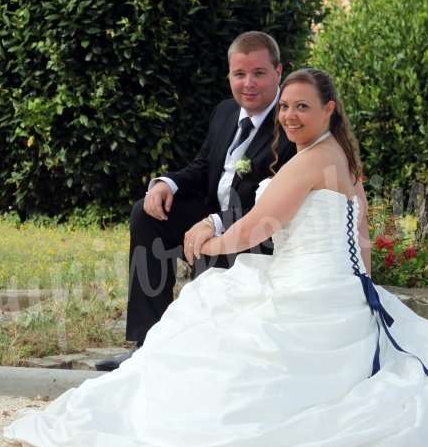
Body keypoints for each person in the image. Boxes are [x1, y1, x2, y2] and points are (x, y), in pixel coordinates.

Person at [5, 68, 428, 447]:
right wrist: (363, 296)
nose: (290, 116)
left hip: (306, 290)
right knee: (220, 309)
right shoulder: (341, 159)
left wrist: (204, 242)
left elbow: (256, 228)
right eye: (286, 109)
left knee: (214, 308)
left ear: (329, 109)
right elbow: (363, 243)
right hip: (337, 289)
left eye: (302, 107)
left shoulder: (307, 162)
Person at [98, 31, 297, 371]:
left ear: (278, 72)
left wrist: (216, 223)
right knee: (146, 215)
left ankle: (198, 346)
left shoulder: (291, 122)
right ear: (229, 75)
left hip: (257, 232)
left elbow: (276, 204)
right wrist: (167, 183)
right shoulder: (224, 112)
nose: (248, 83)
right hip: (212, 213)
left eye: (259, 73)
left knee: (213, 248)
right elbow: (204, 165)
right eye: (239, 74)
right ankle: (147, 344)